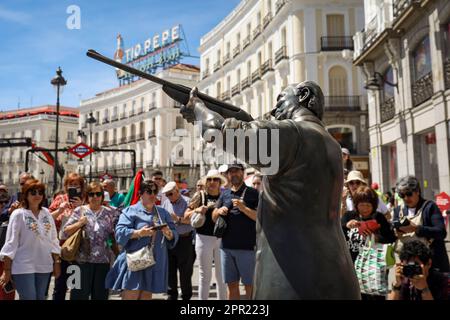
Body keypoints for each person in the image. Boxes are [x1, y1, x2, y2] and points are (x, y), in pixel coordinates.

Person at [181, 82, 360, 299]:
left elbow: (219, 132)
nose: (275, 111)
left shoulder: (294, 133)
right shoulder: (329, 142)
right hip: (335, 269)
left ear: (303, 95)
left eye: (280, 100)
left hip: (293, 275)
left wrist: (197, 107)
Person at [105, 180, 178, 300]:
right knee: (132, 294)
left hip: (154, 260)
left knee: (146, 296)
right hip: (135, 260)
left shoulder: (162, 212)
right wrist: (139, 233)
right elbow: (119, 233)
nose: (153, 195)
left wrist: (169, 234)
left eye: (155, 191)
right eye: (149, 191)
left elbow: (174, 234)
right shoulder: (131, 211)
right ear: (140, 193)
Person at [0, 179, 61, 300]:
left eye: (40, 192)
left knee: (40, 297)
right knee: (29, 297)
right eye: (33, 192)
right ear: (25, 195)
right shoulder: (18, 214)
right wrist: (6, 270)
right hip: (23, 265)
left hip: (44, 265)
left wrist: (57, 262)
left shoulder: (47, 213)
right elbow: (11, 243)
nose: (37, 195)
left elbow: (54, 239)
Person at [212, 163, 259, 300]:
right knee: (231, 285)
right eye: (231, 172)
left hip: (247, 248)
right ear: (227, 175)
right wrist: (218, 211)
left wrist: (244, 209)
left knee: (249, 285)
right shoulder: (225, 193)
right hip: (226, 248)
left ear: (243, 173)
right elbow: (214, 216)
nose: (234, 174)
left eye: (236, 171)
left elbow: (259, 218)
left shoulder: (253, 193)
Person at [64, 182, 117, 300]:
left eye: (98, 194)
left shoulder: (110, 212)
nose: (95, 197)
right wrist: (80, 223)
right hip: (81, 261)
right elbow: (65, 232)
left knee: (101, 296)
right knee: (78, 296)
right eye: (92, 194)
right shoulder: (79, 210)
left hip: (103, 262)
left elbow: (115, 234)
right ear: (87, 196)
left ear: (102, 196)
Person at [184, 169, 227, 300]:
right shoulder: (200, 195)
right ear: (205, 182)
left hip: (222, 238)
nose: (212, 182)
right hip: (203, 238)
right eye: (209, 179)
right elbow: (186, 216)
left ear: (220, 182)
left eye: (215, 179)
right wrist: (197, 209)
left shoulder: (225, 196)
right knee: (205, 276)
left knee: (222, 277)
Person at [393, 175, 449, 273]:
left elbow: (441, 232)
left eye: (409, 194)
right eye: (402, 195)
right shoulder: (398, 210)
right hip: (408, 263)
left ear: (417, 191)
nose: (406, 198)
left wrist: (417, 229)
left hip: (432, 263)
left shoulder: (430, 207)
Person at [48, 172, 85, 300]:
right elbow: (47, 220)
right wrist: (60, 211)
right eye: (71, 184)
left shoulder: (85, 200)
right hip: (61, 246)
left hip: (79, 247)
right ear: (65, 186)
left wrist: (81, 207)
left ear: (81, 187)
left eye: (77, 185)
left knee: (76, 284)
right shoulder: (59, 199)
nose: (74, 187)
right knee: (60, 283)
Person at [341, 186, 396, 263]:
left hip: (374, 265)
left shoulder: (379, 217)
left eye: (368, 205)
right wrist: (347, 225)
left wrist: (377, 238)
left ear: (374, 205)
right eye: (362, 205)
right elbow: (338, 234)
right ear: (356, 205)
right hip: (352, 263)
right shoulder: (348, 216)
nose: (365, 209)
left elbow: (391, 237)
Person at [161, 181, 194, 300]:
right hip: (170, 239)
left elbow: (192, 220)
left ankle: (186, 296)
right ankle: (171, 295)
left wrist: (177, 219)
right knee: (170, 270)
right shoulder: (165, 203)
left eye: (170, 194)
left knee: (185, 271)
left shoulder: (188, 202)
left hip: (185, 239)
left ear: (177, 190)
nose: (169, 197)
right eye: (167, 195)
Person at [0, 191, 14, 300]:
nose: (1, 205)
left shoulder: (9, 219)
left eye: (4, 202)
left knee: (6, 293)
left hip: (4, 261)